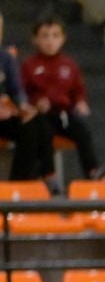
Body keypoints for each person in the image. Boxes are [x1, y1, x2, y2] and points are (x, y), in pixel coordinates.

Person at [21, 17, 103, 181]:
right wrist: (35, 102)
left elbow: (78, 90)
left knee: (82, 131)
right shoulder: (29, 65)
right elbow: (23, 92)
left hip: (63, 113)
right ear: (35, 40)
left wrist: (81, 102)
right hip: (41, 115)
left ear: (63, 39)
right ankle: (48, 173)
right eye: (45, 36)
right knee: (44, 132)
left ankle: (93, 171)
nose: (50, 41)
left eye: (55, 35)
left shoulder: (69, 65)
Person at [0, 14, 53, 184]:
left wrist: (22, 107)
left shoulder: (5, 58)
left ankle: (19, 184)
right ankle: (46, 174)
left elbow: (16, 90)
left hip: (4, 114)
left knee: (33, 122)